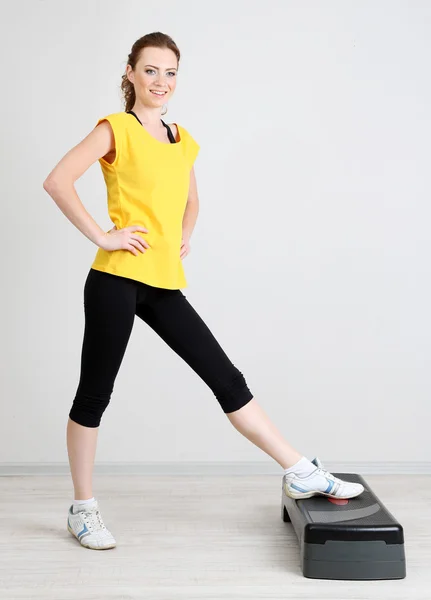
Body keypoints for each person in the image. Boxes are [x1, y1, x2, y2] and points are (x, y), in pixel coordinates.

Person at [43, 32, 364, 551]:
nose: (161, 82)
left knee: (227, 379)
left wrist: (183, 235)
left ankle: (299, 469)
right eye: (150, 71)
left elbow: (192, 201)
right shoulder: (115, 129)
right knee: (94, 395)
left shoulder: (180, 136)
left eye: (170, 72)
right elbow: (58, 180)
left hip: (163, 283)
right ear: (130, 73)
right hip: (116, 280)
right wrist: (105, 236)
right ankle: (83, 510)